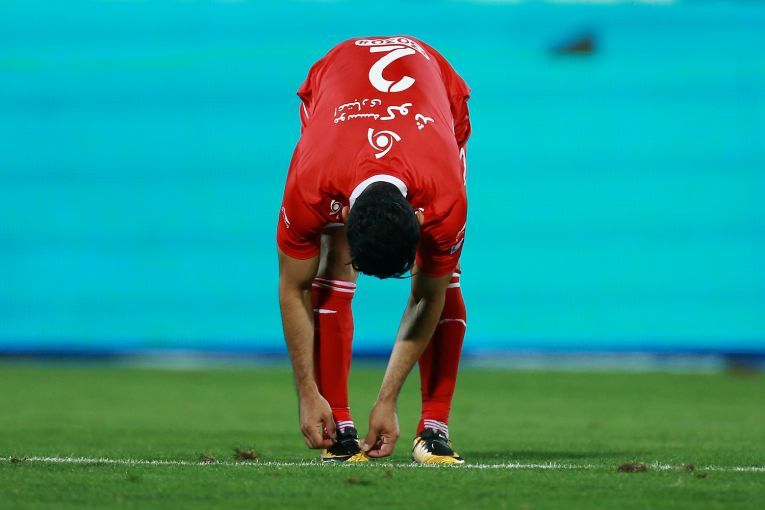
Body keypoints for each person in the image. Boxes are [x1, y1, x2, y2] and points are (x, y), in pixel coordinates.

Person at [277, 35, 470, 464]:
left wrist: (388, 399)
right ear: (343, 213)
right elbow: (293, 287)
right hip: (335, 79)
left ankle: (434, 426)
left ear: (417, 216)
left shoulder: (444, 197)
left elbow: (427, 296)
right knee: (331, 263)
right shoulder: (311, 182)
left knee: (444, 276)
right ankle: (337, 423)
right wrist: (306, 393)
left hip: (438, 90)